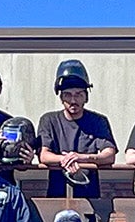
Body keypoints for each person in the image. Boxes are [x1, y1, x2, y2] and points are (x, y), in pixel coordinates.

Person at [37, 60, 117, 198]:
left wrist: (82, 158)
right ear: (61, 97)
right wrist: (66, 160)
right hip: (57, 192)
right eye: (68, 95)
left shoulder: (98, 121)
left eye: (78, 94)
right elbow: (44, 155)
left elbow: (109, 155)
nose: (73, 100)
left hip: (90, 194)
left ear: (86, 97)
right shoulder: (49, 120)